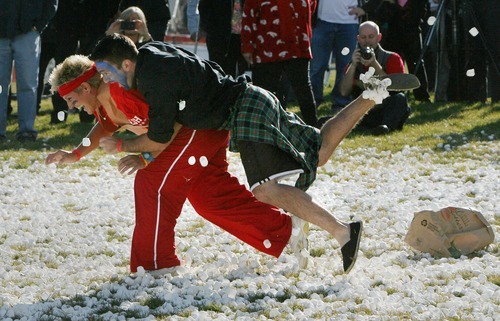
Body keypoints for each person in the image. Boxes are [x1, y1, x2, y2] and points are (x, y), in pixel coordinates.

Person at [89, 34, 419, 273]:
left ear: (127, 63)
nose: (107, 80)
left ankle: (343, 231)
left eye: (107, 73)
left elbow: (159, 139)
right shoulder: (150, 52)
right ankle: (372, 93)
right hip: (252, 97)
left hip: (244, 109)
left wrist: (120, 145)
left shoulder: (152, 79)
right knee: (318, 149)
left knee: (265, 188)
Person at [46, 54, 305, 274]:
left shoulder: (118, 93)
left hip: (195, 127)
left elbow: (168, 124)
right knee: (209, 199)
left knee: (151, 183)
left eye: (71, 100)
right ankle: (285, 231)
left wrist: (146, 157)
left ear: (85, 89)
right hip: (201, 130)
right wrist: (76, 153)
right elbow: (103, 129)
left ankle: (157, 265)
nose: (71, 107)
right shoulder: (105, 101)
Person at [240, 0, 318, 127]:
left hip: (297, 47)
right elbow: (249, 13)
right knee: (265, 94)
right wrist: (247, 45)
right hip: (268, 47)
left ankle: (316, 134)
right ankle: (264, 132)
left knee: (304, 92)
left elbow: (311, 8)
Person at [349, 0, 431, 102]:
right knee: (392, 63)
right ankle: (394, 94)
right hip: (393, 31)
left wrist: (415, 18)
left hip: (412, 30)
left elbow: (422, 7)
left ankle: (422, 96)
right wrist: (364, 9)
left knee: (417, 63)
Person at [339, 21, 411, 135]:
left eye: (371, 37)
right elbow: (344, 92)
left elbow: (395, 88)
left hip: (385, 109)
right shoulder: (353, 62)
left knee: (400, 99)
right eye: (363, 37)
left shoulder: (392, 58)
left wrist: (374, 63)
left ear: (379, 37)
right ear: (358, 38)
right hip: (364, 110)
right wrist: (353, 65)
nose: (367, 41)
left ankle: (386, 127)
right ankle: (359, 126)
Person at [0, 0, 58, 142]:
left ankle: (27, 131)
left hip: (28, 33)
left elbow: (51, 3)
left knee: (28, 84)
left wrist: (38, 26)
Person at [309, 0, 360, 111]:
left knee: (345, 67)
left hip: (349, 24)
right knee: (317, 66)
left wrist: (366, 9)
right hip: (322, 22)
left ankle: (340, 102)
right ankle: (313, 101)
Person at [199, 0, 248, 78]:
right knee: (219, 72)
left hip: (243, 37)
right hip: (219, 36)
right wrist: (211, 29)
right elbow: (204, 7)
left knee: (242, 72)